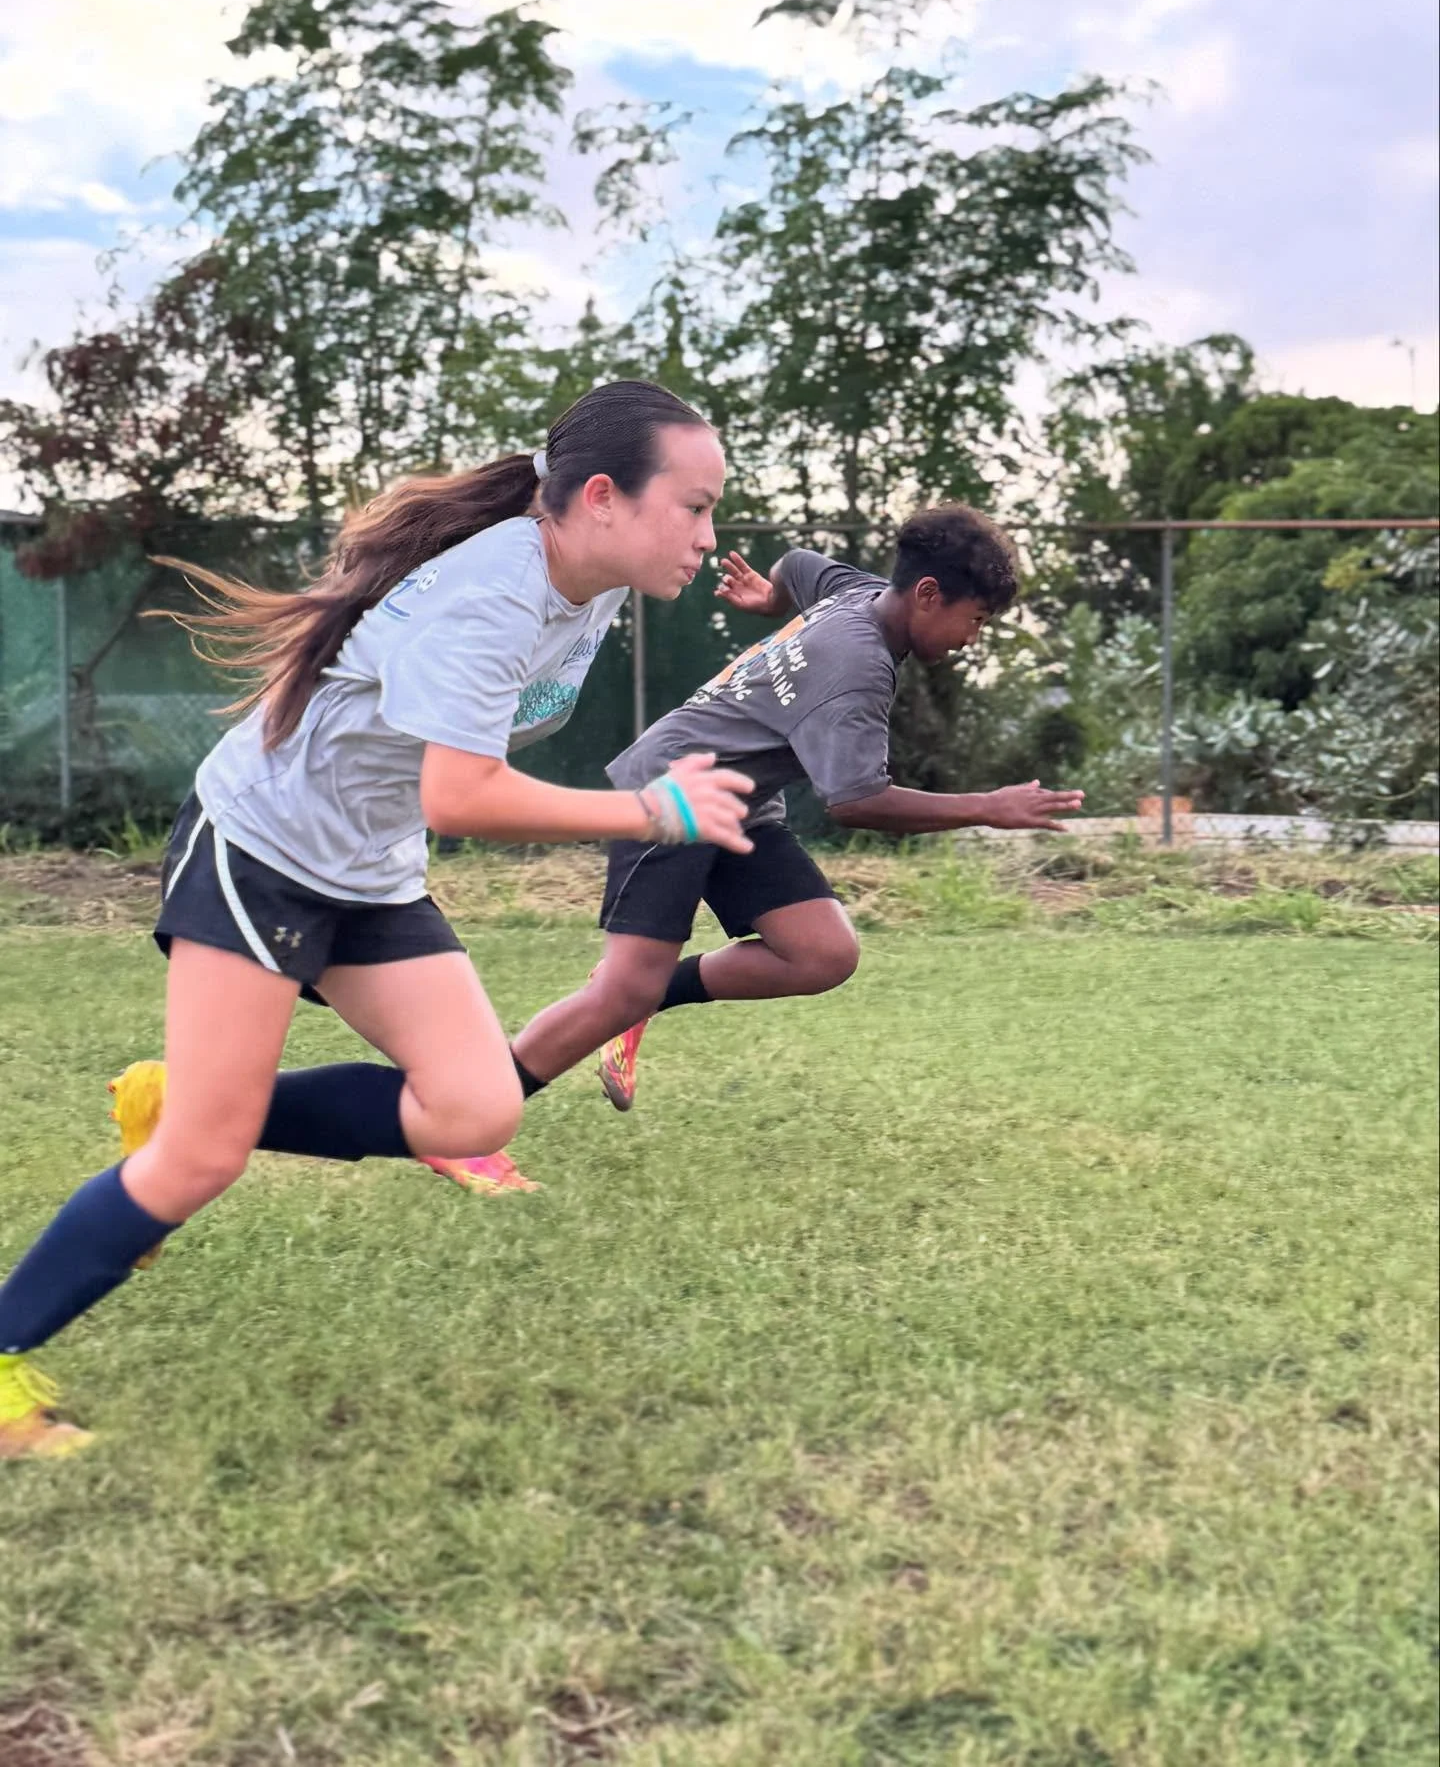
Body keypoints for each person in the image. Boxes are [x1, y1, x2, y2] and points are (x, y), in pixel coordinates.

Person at [0, 379, 753, 1458]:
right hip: (259, 849)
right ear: (601, 497)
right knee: (196, 1165)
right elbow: (462, 795)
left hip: (366, 867)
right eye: (694, 505)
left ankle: (188, 1103)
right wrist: (647, 810)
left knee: (475, 1106)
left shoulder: (587, 583)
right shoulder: (490, 596)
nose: (707, 533)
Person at [438, 505, 1082, 1136]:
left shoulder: (855, 592)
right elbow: (856, 801)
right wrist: (987, 809)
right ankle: (463, 1117)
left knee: (822, 953)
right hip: (669, 796)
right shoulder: (856, 670)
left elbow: (799, 565)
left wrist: (770, 596)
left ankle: (644, 996)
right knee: (618, 994)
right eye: (973, 620)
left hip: (735, 806)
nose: (972, 638)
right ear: (927, 593)